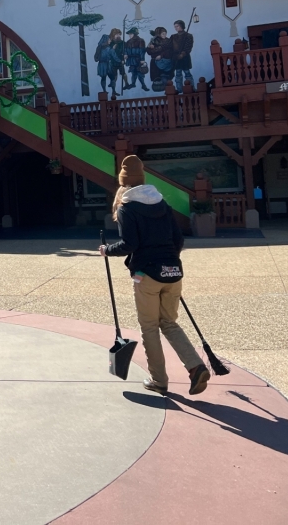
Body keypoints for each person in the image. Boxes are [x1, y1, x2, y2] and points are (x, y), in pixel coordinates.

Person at [99, 155, 211, 396]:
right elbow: (178, 239)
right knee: (169, 323)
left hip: (147, 274)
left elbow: (130, 244)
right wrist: (168, 261)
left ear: (123, 183)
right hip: (173, 271)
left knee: (149, 327)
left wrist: (107, 250)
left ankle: (159, 380)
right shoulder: (163, 205)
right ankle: (195, 366)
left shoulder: (127, 208)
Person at [169, 19, 194, 92]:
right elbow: (169, 46)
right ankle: (179, 89)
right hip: (176, 57)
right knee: (178, 73)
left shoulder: (188, 36)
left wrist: (183, 54)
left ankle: (191, 88)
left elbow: (188, 46)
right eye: (175, 26)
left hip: (185, 58)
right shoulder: (173, 37)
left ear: (181, 26)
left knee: (187, 73)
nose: (175, 28)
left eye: (177, 26)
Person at [146, 27, 172, 91]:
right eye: (162, 34)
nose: (164, 35)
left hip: (165, 61)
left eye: (165, 33)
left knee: (165, 76)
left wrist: (161, 55)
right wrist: (150, 48)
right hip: (155, 62)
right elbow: (149, 52)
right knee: (156, 78)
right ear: (159, 34)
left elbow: (169, 51)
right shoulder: (153, 41)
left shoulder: (168, 41)